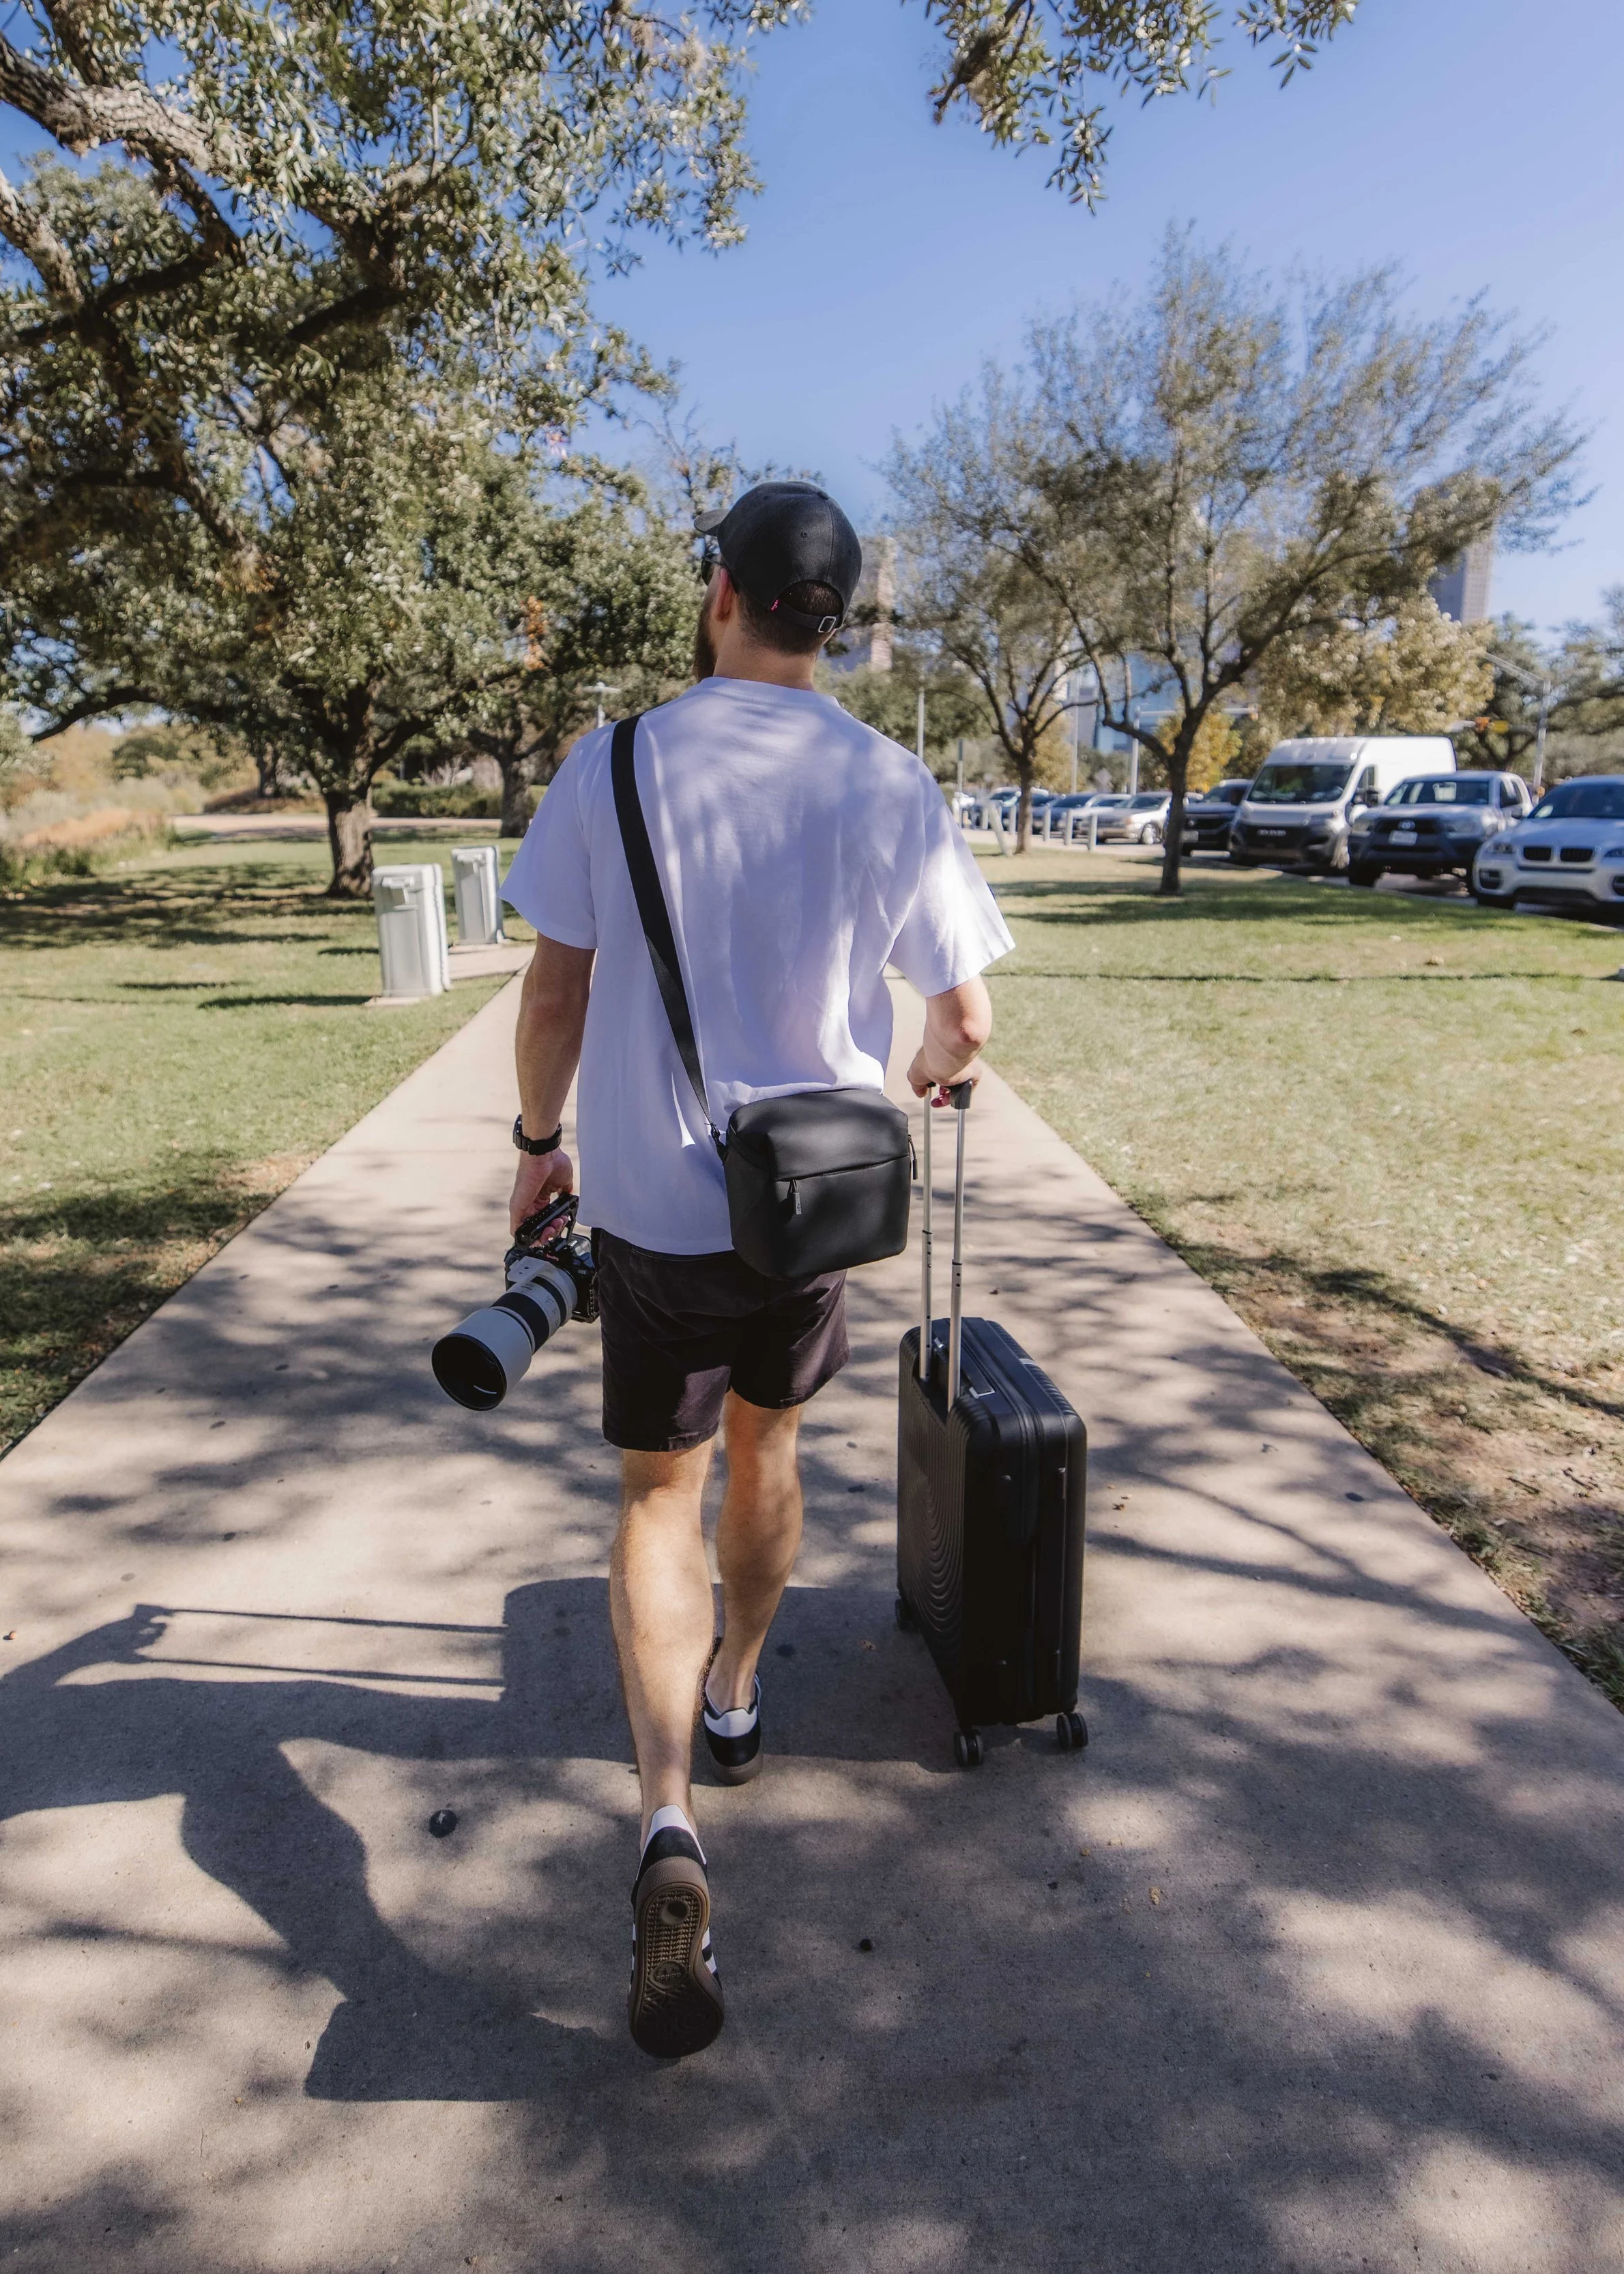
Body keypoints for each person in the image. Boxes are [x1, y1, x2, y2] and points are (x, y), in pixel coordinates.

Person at [504, 480, 1012, 2058]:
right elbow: (964, 1017)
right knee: (766, 1448)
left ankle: (667, 1820)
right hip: (804, 1207)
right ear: (839, 619)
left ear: (717, 590)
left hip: (653, 1207)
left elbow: (557, 983)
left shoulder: (617, 757)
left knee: (655, 1496)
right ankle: (733, 1695)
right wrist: (926, 1067)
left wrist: (537, 1143)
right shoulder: (886, 775)